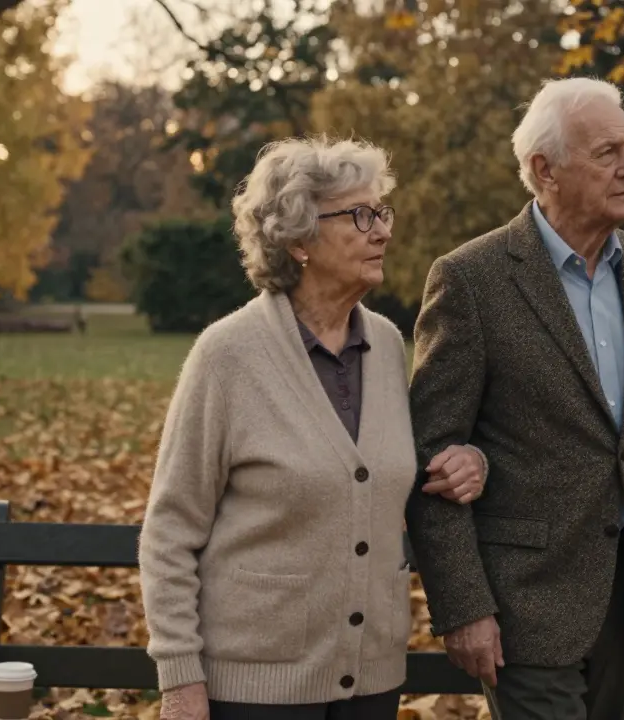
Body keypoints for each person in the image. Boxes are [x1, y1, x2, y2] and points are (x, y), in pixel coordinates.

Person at [403, 77, 624, 720]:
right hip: (523, 606)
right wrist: (463, 607)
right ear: (545, 170)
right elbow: (430, 458)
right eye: (608, 152)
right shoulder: (471, 279)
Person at [138, 135, 488, 720]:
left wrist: (469, 463)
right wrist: (180, 680)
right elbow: (170, 531)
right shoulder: (227, 355)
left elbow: (399, 470)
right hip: (255, 688)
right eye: (360, 215)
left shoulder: (386, 344)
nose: (382, 231)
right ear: (298, 240)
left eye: (382, 213)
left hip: (372, 680)